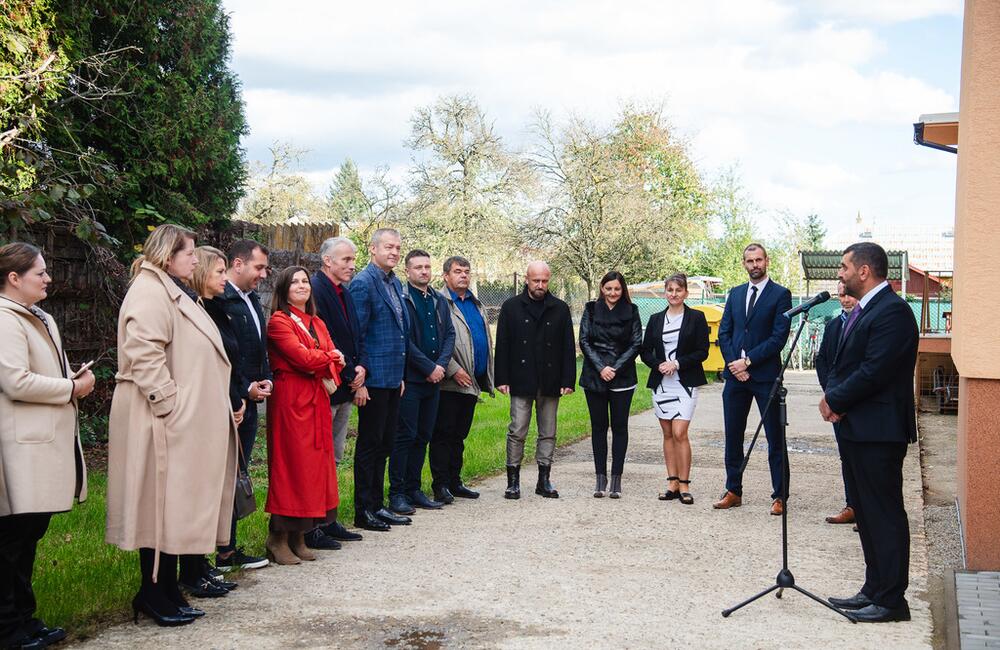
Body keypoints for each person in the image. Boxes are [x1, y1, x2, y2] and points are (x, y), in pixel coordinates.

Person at [106, 224, 238, 627]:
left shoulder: (171, 289)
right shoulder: (149, 292)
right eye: (189, 253)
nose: (195, 260)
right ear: (168, 255)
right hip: (160, 420)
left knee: (174, 507)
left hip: (180, 422)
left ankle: (166, 590)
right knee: (158, 508)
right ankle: (153, 592)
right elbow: (143, 353)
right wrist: (171, 405)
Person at [0, 242, 94, 648]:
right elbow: (14, 381)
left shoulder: (38, 317)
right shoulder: (4, 320)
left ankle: (26, 618)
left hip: (42, 442)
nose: (48, 279)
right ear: (14, 278)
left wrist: (69, 376)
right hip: (20, 446)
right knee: (10, 541)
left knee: (28, 537)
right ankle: (7, 629)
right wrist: (71, 387)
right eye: (40, 273)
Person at [823, 243, 918, 623]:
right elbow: (842, 362)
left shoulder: (893, 312)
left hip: (879, 431)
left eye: (845, 267)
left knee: (884, 513)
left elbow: (875, 370)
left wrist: (836, 398)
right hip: (857, 429)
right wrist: (834, 394)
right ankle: (873, 589)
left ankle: (893, 600)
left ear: (864, 271)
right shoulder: (864, 311)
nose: (840, 274)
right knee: (866, 512)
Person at [174, 246, 246, 598]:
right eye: (219, 272)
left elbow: (230, 361)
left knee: (211, 491)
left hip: (226, 405)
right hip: (202, 411)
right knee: (197, 492)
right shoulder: (193, 311)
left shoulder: (213, 308)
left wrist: (239, 397)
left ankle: (199, 564)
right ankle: (191, 568)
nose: (224, 279)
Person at [264, 266, 345, 565]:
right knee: (292, 466)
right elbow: (303, 358)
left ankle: (300, 534)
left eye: (305, 281)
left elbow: (332, 362)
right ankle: (278, 537)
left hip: (316, 400)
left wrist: (325, 360)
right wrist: (328, 359)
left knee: (314, 468)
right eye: (295, 282)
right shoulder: (279, 322)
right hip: (291, 400)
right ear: (284, 289)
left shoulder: (317, 322)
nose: (301, 286)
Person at [714, 243, 792, 515]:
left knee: (775, 437)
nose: (755, 265)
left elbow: (778, 338)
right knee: (733, 436)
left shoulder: (781, 294)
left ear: (767, 261)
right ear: (743, 263)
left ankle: (780, 495)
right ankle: (733, 490)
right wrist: (735, 365)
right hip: (736, 378)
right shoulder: (735, 294)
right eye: (750, 261)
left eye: (759, 260)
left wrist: (749, 361)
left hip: (765, 376)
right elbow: (724, 333)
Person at [494, 261, 576, 499]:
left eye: (544, 281)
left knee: (548, 431)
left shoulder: (560, 308)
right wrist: (502, 378)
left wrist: (568, 379)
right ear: (526, 280)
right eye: (536, 280)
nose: (540, 285)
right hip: (521, 378)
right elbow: (503, 344)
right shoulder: (511, 307)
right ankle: (513, 482)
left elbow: (567, 347)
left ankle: (544, 480)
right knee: (517, 429)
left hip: (550, 379)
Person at [348, 228, 412, 531]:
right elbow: (357, 334)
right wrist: (359, 380)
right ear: (372, 249)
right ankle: (364, 509)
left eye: (398, 248)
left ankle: (378, 505)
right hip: (371, 380)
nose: (395, 252)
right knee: (370, 445)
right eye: (389, 247)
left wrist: (399, 375)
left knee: (386, 443)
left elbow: (399, 331)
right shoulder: (363, 283)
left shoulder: (394, 282)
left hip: (392, 378)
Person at [215, 239, 272, 573]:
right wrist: (243, 389)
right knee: (225, 476)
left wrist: (266, 380)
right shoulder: (221, 302)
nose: (263, 275)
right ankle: (221, 552)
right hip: (231, 400)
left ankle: (228, 548)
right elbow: (225, 356)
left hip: (251, 401)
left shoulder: (251, 300)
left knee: (239, 474)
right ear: (238, 264)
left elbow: (257, 350)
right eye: (258, 267)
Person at [308, 237, 366, 549]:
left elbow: (353, 334)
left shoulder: (344, 292)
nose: (351, 265)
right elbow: (321, 340)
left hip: (346, 386)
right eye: (345, 259)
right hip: (327, 387)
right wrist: (347, 371)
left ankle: (329, 520)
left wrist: (360, 369)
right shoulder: (316, 291)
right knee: (320, 458)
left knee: (335, 456)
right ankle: (313, 525)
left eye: (353, 259)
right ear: (327, 261)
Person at [388, 250, 455, 515]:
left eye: (427, 267)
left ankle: (415, 489)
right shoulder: (403, 300)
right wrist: (427, 367)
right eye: (418, 267)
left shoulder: (439, 300)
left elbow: (449, 334)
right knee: (405, 436)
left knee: (424, 435)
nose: (424, 271)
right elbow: (404, 338)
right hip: (412, 378)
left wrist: (440, 366)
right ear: (408, 271)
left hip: (435, 379)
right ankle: (397, 493)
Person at [429, 256, 495, 503]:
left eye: (467, 271)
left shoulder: (475, 303)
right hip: (450, 382)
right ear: (446, 276)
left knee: (459, 436)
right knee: (443, 435)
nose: (463, 276)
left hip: (472, 382)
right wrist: (453, 369)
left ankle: (456, 481)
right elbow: (437, 340)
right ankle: (441, 485)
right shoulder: (439, 302)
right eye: (458, 271)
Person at [640, 273, 710, 505]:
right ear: (665, 293)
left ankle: (685, 484)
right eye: (670, 290)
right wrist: (658, 364)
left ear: (686, 293)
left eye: (678, 290)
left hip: (685, 382)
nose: (674, 294)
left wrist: (677, 363)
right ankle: (672, 483)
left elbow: (702, 351)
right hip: (662, 384)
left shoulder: (697, 318)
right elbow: (645, 350)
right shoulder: (655, 319)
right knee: (668, 434)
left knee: (680, 433)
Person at [579, 271, 641, 499]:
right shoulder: (591, 309)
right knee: (598, 427)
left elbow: (636, 343)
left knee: (619, 427)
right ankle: (600, 478)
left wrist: (615, 367)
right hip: (595, 376)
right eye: (609, 289)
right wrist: (601, 367)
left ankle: (616, 478)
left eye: (617, 289)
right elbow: (584, 340)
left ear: (622, 289)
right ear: (602, 289)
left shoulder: (632, 311)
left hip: (622, 376)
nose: (613, 293)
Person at [814, 280, 858, 525]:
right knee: (846, 456)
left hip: (860, 401)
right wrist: (830, 394)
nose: (846, 300)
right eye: (841, 296)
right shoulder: (833, 326)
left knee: (864, 459)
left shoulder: (866, 322)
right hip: (836, 402)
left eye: (849, 295)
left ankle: (867, 510)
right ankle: (852, 505)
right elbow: (822, 360)